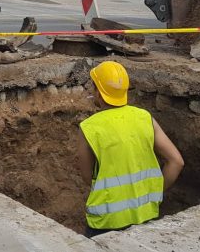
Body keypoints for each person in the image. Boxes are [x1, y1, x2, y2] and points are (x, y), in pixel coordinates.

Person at [77, 61, 184, 237]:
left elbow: (88, 177)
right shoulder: (144, 117)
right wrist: (154, 192)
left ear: (98, 92)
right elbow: (176, 162)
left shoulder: (89, 127)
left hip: (106, 220)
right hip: (145, 214)